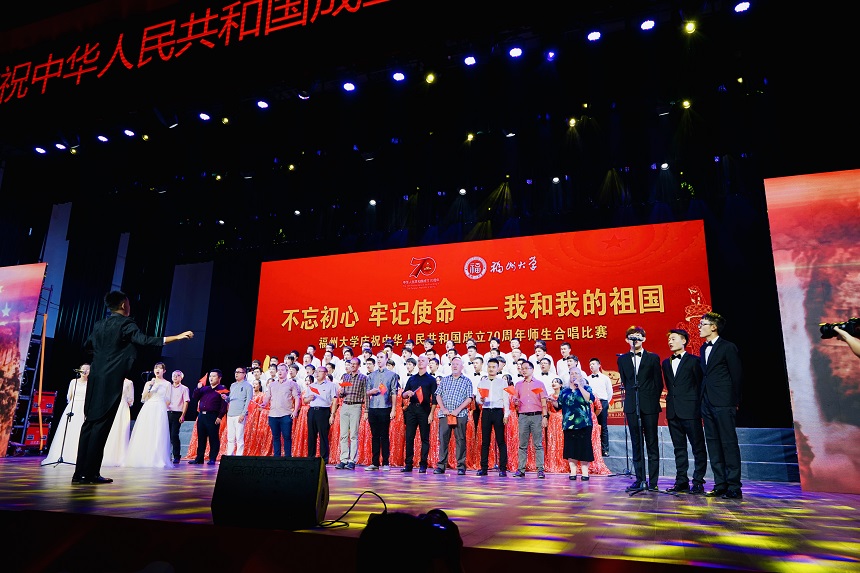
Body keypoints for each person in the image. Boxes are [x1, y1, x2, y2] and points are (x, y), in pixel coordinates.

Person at [73, 290, 193, 485]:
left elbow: (87, 345)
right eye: (128, 303)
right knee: (101, 426)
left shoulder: (99, 324)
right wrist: (177, 337)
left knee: (89, 424)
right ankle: (91, 473)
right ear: (123, 305)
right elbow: (145, 340)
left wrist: (105, 356)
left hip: (95, 377)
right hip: (111, 379)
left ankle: (79, 474)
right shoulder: (126, 323)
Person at [699, 312, 744, 499]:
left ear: (714, 327)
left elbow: (736, 375)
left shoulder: (728, 347)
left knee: (728, 443)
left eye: (703, 324)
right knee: (713, 444)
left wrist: (735, 400)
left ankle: (734, 486)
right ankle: (720, 484)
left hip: (724, 402)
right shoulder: (703, 348)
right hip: (707, 401)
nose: (700, 327)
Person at [617, 325, 663, 492]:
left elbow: (658, 383)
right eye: (631, 336)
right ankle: (639, 478)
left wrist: (651, 399)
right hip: (632, 406)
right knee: (636, 444)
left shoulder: (653, 358)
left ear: (644, 339)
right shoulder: (622, 359)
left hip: (649, 405)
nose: (635, 339)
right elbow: (625, 381)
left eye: (638, 336)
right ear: (626, 340)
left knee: (652, 442)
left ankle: (653, 481)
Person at [662, 329, 708, 494]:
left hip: (691, 410)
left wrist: (699, 407)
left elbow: (700, 385)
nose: (670, 342)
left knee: (698, 448)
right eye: (669, 339)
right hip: (673, 411)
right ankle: (681, 481)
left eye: (673, 339)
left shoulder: (694, 361)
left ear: (683, 341)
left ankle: (698, 481)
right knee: (679, 448)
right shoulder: (665, 363)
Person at [124, 362, 172, 468]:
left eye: (160, 368)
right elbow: (144, 397)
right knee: (145, 430)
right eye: (156, 368)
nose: (157, 370)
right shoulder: (149, 383)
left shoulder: (167, 384)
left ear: (164, 371)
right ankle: (142, 456)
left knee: (158, 432)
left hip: (159, 408)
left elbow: (168, 400)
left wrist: (162, 408)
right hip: (148, 407)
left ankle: (156, 458)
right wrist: (150, 386)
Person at [550, 370, 596, 480]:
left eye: (576, 374)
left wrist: (579, 386)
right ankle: (573, 472)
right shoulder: (564, 391)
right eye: (572, 374)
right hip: (569, 423)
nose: (574, 376)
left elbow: (590, 399)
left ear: (580, 376)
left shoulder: (586, 388)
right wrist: (552, 401)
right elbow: (559, 405)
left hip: (584, 423)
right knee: (571, 448)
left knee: (584, 447)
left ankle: (585, 473)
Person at [43, 364, 89, 465]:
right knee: (68, 429)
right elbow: (69, 396)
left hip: (84, 408)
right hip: (73, 406)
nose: (85, 371)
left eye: (87, 369)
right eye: (83, 369)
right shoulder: (74, 382)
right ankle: (63, 454)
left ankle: (78, 456)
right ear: (79, 370)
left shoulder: (90, 383)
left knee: (80, 430)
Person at [434, 357, 473, 475]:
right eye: (453, 364)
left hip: (460, 414)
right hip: (445, 414)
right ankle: (441, 465)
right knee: (443, 440)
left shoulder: (467, 381)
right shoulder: (445, 380)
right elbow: (438, 395)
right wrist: (443, 408)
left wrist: (458, 409)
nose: (455, 366)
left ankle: (461, 466)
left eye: (457, 364)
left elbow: (469, 398)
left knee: (460, 440)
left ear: (462, 367)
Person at [511, 360, 548, 479]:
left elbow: (543, 401)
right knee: (522, 444)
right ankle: (521, 469)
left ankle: (540, 469)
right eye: (522, 368)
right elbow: (515, 399)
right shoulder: (518, 384)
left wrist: (545, 416)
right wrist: (515, 401)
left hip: (536, 416)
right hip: (523, 416)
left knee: (538, 444)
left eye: (526, 368)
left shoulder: (539, 384)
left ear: (532, 369)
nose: (524, 370)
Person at [401, 354, 437, 473]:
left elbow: (435, 398)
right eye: (419, 360)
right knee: (409, 437)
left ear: (427, 363)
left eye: (423, 360)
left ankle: (423, 464)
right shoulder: (412, 379)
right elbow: (403, 395)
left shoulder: (431, 379)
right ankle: (408, 464)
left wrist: (431, 413)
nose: (421, 362)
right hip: (412, 409)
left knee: (424, 438)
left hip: (424, 410)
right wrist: (407, 394)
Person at [475, 357, 510, 476]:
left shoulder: (502, 382)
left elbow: (506, 399)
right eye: (489, 367)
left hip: (498, 411)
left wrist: (506, 414)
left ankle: (503, 468)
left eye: (493, 367)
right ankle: (484, 468)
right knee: (485, 441)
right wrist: (480, 400)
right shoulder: (482, 382)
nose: (491, 369)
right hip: (486, 411)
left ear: (497, 368)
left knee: (500, 441)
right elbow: (477, 399)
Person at [364, 356, 398, 470]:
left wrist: (393, 409)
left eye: (381, 357)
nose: (379, 359)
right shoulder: (371, 375)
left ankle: (385, 462)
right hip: (373, 407)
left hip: (385, 407)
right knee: (374, 436)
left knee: (384, 435)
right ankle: (375, 462)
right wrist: (371, 392)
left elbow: (394, 392)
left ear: (386, 359)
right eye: (378, 357)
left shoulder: (392, 375)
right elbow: (366, 392)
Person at [189, 368, 229, 465]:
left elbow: (224, 405)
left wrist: (220, 416)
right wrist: (198, 388)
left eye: (214, 376)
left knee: (213, 438)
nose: (211, 378)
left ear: (219, 378)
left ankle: (212, 458)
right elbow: (195, 396)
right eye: (210, 376)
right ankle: (199, 458)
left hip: (213, 416)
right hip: (202, 416)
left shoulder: (222, 390)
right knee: (201, 438)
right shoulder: (205, 389)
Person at [263, 363, 301, 458]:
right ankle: (277, 458)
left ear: (287, 372)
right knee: (276, 437)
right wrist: (264, 403)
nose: (280, 372)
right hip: (273, 415)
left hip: (286, 415)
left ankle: (288, 458)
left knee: (287, 437)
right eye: (278, 370)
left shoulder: (292, 384)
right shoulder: (272, 385)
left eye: (282, 370)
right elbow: (267, 397)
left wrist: (295, 411)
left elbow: (297, 398)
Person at [335, 357, 367, 470]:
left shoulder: (363, 378)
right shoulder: (345, 376)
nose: (352, 366)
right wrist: (341, 393)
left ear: (359, 365)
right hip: (345, 405)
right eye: (351, 364)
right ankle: (343, 459)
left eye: (354, 364)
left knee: (353, 435)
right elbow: (342, 394)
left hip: (356, 406)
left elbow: (366, 394)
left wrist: (366, 410)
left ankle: (352, 460)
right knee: (343, 435)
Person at [305, 367, 338, 463]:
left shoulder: (331, 385)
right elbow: (305, 400)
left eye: (320, 371)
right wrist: (309, 399)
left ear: (325, 373)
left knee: (323, 435)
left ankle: (324, 459)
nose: (317, 373)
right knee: (311, 435)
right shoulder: (311, 386)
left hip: (323, 411)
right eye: (316, 371)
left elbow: (335, 400)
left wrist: (332, 415)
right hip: (312, 411)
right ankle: (311, 457)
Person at [102, 377, 134, 466]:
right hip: (111, 407)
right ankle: (108, 455)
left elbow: (131, 399)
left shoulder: (129, 382)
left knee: (122, 431)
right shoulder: (111, 379)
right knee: (111, 430)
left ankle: (121, 457)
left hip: (123, 407)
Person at [587, 358, 614, 456]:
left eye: (593, 364)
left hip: (602, 402)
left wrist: (605, 402)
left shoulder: (605, 378)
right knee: (591, 426)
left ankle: (604, 449)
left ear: (599, 365)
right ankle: (593, 449)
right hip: (591, 403)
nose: (591, 366)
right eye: (590, 364)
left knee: (603, 426)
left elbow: (609, 392)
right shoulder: (588, 379)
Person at [226, 366, 253, 456]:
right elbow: (230, 399)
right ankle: (230, 455)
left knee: (239, 437)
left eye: (238, 372)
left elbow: (248, 401)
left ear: (244, 374)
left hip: (239, 414)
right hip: (230, 414)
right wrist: (226, 398)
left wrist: (243, 414)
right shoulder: (233, 385)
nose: (236, 374)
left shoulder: (248, 386)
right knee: (230, 437)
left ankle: (238, 456)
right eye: (235, 372)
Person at [166, 369, 189, 464]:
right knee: (165, 435)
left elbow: (186, 402)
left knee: (174, 435)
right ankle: (166, 455)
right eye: (174, 375)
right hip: (167, 413)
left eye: (178, 375)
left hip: (177, 413)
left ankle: (176, 456)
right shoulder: (168, 387)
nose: (175, 377)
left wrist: (183, 415)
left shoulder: (184, 388)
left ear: (181, 377)